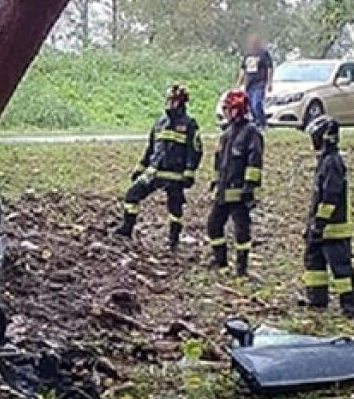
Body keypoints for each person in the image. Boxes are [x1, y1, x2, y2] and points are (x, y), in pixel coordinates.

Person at [114, 85, 203, 249]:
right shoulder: (160, 122)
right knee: (132, 194)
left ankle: (173, 239)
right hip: (154, 172)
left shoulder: (189, 124)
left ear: (181, 102)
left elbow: (195, 150)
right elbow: (151, 148)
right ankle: (126, 228)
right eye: (168, 100)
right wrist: (140, 167)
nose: (169, 103)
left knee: (175, 208)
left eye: (172, 100)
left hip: (175, 175)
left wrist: (189, 172)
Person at [302, 115, 354, 316]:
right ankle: (316, 300)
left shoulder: (333, 162)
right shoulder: (325, 161)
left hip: (333, 229)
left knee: (341, 270)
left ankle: (350, 306)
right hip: (319, 228)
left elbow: (331, 196)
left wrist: (320, 221)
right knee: (313, 265)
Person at [206, 89, 264, 277]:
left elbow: (254, 161)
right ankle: (221, 262)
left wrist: (249, 187)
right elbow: (219, 162)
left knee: (241, 231)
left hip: (239, 193)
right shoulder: (227, 133)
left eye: (228, 108)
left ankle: (241, 268)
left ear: (237, 110)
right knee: (213, 226)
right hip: (223, 192)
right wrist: (215, 182)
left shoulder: (251, 133)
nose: (225, 112)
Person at [236, 35, 274, 128]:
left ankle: (262, 122)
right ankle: (255, 122)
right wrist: (238, 83)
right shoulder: (247, 55)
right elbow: (243, 70)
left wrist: (269, 83)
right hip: (249, 84)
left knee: (256, 103)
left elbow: (269, 68)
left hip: (259, 83)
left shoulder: (264, 54)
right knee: (249, 104)